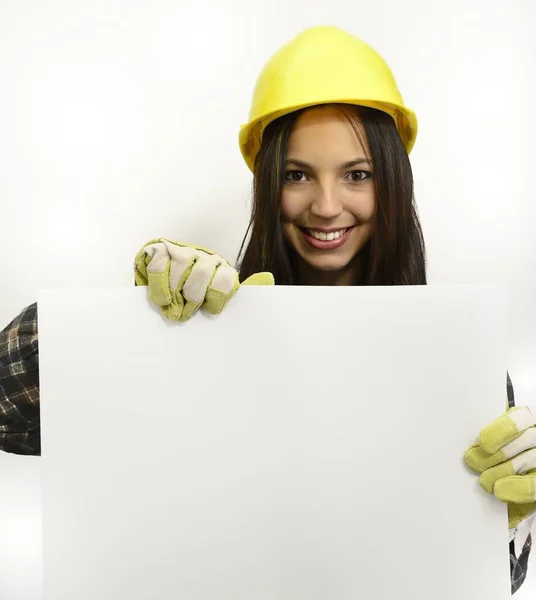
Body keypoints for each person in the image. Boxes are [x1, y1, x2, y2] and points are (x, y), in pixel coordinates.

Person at [0, 25, 534, 594]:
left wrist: (506, 521)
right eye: (296, 175)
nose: (326, 206)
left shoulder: (453, 360)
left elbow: (492, 581)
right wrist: (130, 324)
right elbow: (7, 412)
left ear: (394, 185)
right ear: (265, 184)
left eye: (358, 175)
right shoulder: (199, 333)